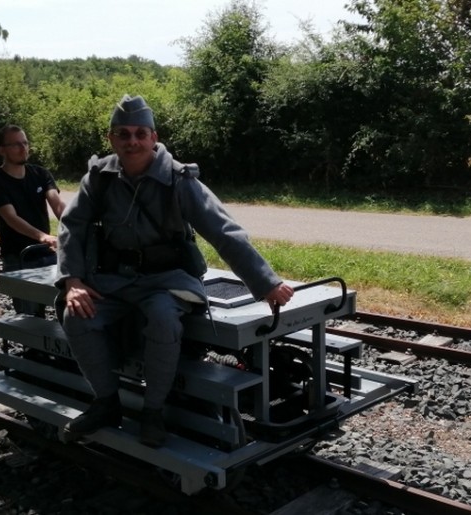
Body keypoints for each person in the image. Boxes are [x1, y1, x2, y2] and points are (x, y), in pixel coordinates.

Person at [56, 94, 294, 448]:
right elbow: (72, 227)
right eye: (123, 134)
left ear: (154, 137)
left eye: (140, 133)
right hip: (113, 278)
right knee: (77, 317)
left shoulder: (179, 180)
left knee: (164, 318)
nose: (132, 141)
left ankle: (153, 411)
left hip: (166, 280)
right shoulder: (99, 178)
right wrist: (72, 281)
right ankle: (106, 402)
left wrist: (267, 282)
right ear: (111, 139)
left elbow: (223, 231)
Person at [0, 124, 66, 317]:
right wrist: (42, 236)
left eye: (25, 142)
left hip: (47, 253)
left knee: (62, 306)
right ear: (1, 150)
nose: (23, 148)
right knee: (30, 315)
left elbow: (57, 204)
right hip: (18, 256)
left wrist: (76, 224)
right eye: (15, 144)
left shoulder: (40, 174)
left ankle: (53, 347)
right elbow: (11, 218)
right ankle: (33, 348)